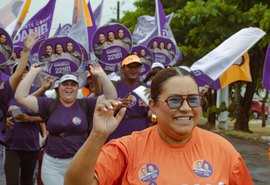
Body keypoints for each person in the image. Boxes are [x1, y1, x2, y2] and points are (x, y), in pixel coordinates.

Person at [64, 67, 253, 185]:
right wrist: (98, 134)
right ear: (153, 105)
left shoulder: (224, 151)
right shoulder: (127, 149)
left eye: (193, 100)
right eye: (174, 101)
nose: (186, 108)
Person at [14, 62, 117, 185]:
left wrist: (100, 73)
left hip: (80, 163)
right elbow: (20, 97)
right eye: (65, 84)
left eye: (73, 85)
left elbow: (111, 96)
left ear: (77, 88)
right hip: (52, 165)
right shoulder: (48, 104)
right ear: (58, 88)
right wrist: (33, 71)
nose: (69, 87)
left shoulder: (85, 104)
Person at [0, 33, 37, 183]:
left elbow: (17, 75)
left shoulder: (4, 86)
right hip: (12, 145)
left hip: (25, 146)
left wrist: (26, 51)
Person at [106, 54, 150, 142]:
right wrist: (118, 107)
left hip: (140, 138)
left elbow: (154, 115)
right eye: (130, 67)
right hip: (117, 137)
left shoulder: (147, 90)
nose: (133, 69)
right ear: (122, 68)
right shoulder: (113, 87)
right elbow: (102, 113)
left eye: (136, 67)